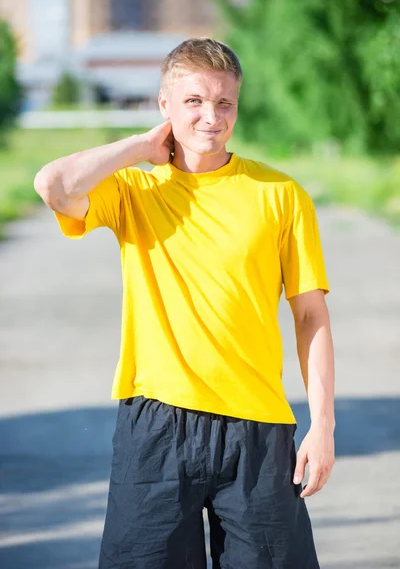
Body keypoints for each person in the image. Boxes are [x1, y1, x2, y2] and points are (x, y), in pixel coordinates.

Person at [34, 38, 335, 569]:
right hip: (155, 426)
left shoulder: (281, 195)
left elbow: (310, 315)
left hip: (258, 429)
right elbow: (53, 185)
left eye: (224, 103)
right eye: (193, 100)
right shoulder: (132, 191)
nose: (211, 117)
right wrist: (138, 148)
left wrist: (324, 425)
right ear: (164, 105)